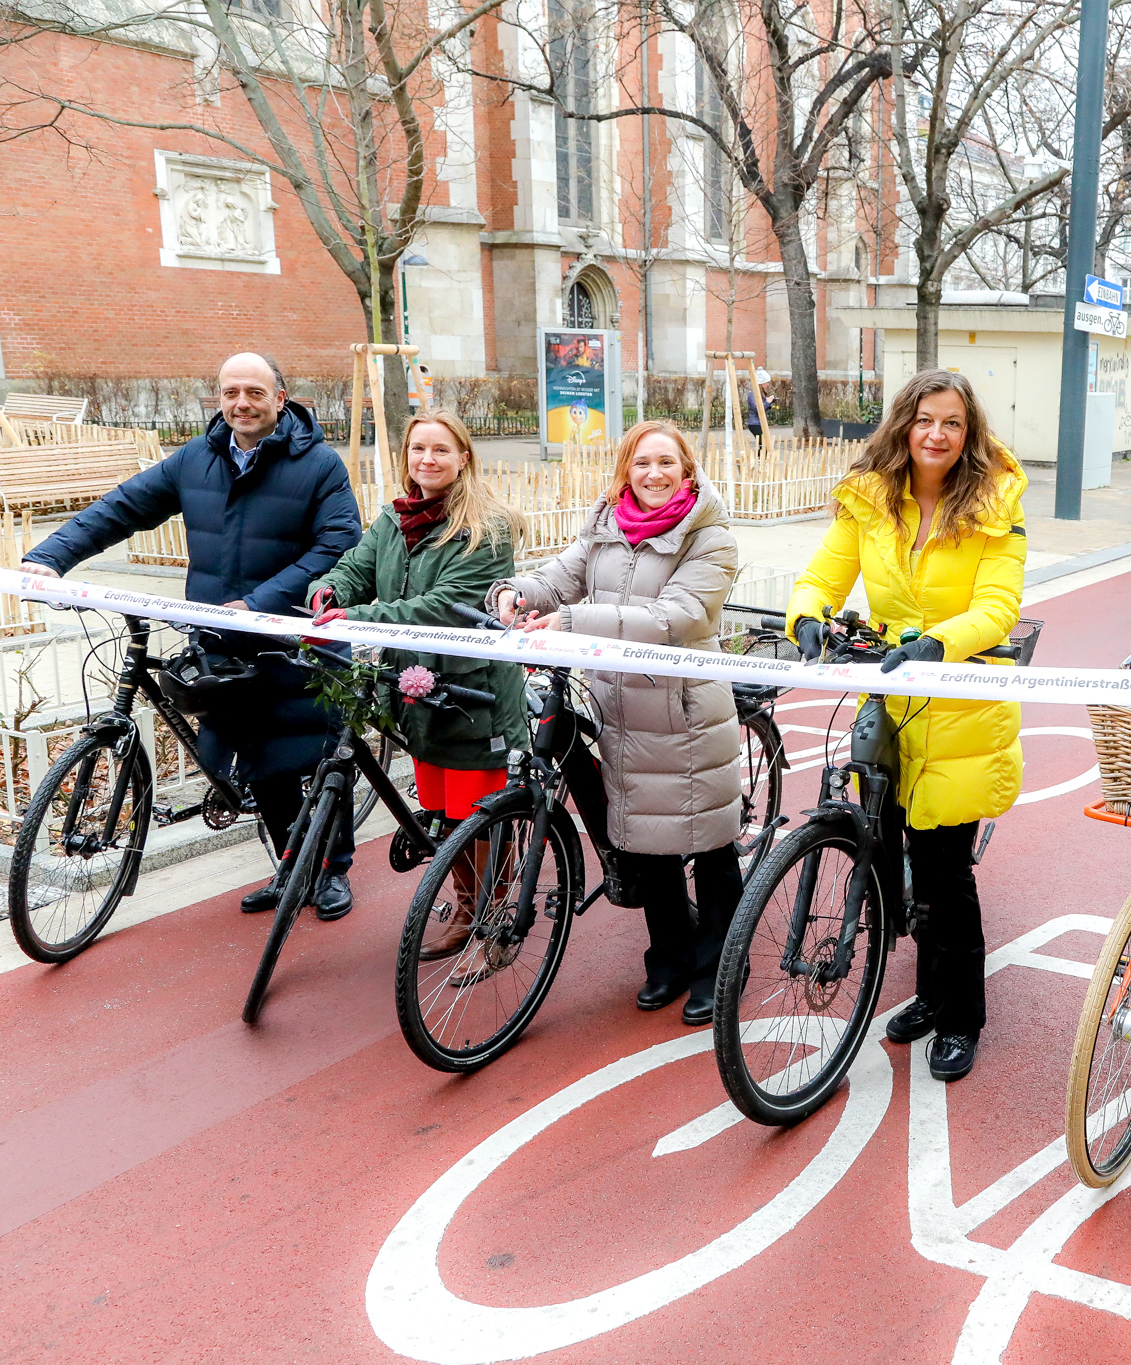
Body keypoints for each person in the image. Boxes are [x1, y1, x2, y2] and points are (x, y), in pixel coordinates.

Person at [21, 353, 363, 918]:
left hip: (296, 635)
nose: (241, 403)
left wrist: (256, 604)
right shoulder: (195, 459)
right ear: (219, 398)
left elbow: (337, 545)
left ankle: (331, 873)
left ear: (281, 398)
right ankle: (290, 864)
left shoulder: (319, 465)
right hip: (222, 643)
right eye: (230, 392)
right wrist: (51, 558)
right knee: (261, 757)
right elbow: (121, 508)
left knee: (316, 757)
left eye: (255, 392)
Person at [789, 368, 1028, 1083]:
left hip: (957, 701)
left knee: (946, 871)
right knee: (893, 848)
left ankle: (962, 1016)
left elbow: (999, 605)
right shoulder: (868, 499)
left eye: (952, 423)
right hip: (890, 695)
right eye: (926, 419)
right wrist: (807, 614)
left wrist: (938, 642)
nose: (936, 434)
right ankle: (927, 991)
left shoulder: (994, 503)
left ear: (968, 432)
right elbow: (823, 574)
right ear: (904, 423)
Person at [487, 422, 743, 1026]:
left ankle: (720, 965)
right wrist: (516, 593)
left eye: (666, 463)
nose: (653, 475)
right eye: (641, 463)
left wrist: (569, 622)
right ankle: (671, 955)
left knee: (707, 843)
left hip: (683, 714)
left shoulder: (712, 539)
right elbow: (559, 576)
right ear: (626, 470)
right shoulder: (606, 525)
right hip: (619, 713)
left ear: (687, 469)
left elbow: (672, 616)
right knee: (644, 840)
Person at [305, 410, 529, 959]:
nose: (426, 460)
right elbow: (354, 567)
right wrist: (329, 592)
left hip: (472, 695)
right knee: (445, 812)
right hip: (418, 692)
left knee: (476, 816)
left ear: (464, 458)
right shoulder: (395, 518)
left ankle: (492, 922)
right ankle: (467, 900)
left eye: (440, 451)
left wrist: (360, 617)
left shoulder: (486, 529)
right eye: (417, 450)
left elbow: (442, 608)